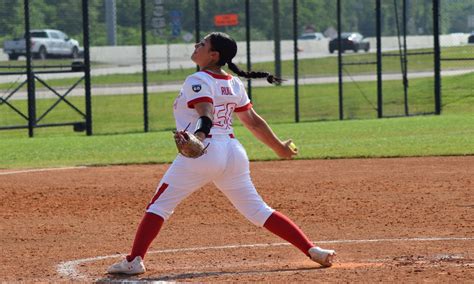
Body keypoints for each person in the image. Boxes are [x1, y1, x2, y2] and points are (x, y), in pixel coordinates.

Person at [107, 32, 336, 275]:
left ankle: (134, 260)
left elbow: (206, 114)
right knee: (259, 210)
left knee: (159, 206)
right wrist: (279, 147)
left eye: (203, 44)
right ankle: (312, 250)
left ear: (213, 55)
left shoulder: (198, 79)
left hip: (205, 151)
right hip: (233, 153)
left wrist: (200, 138)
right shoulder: (233, 83)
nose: (197, 45)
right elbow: (253, 122)